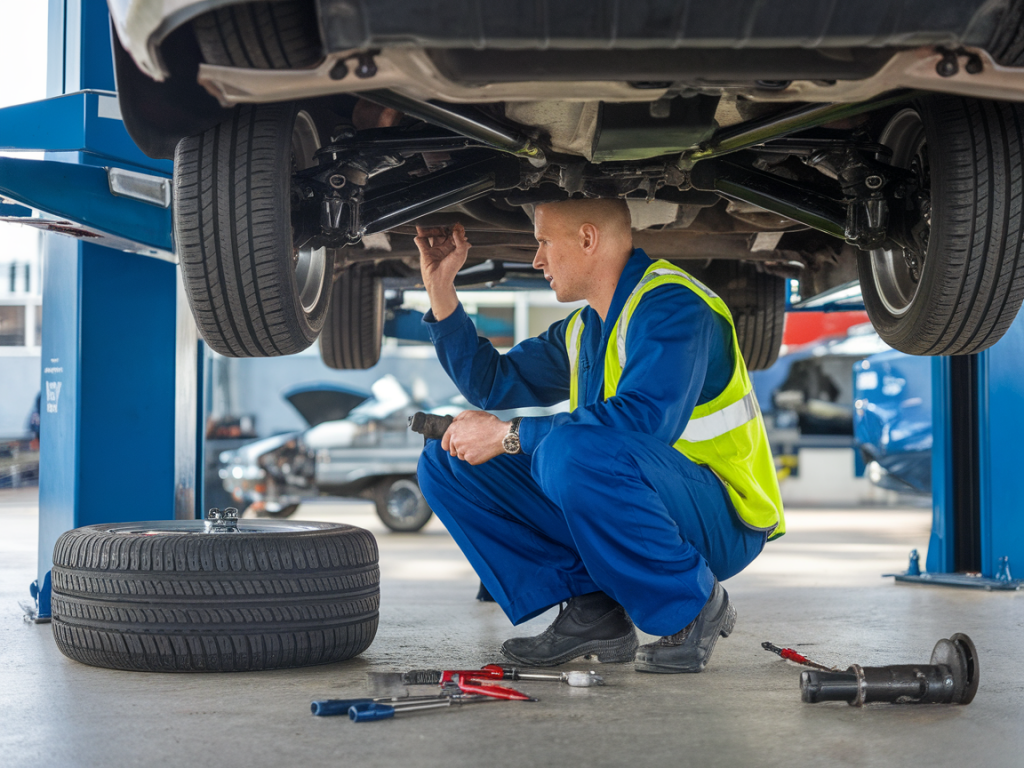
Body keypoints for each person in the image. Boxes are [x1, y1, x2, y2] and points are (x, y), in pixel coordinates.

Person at [414, 199, 785, 673]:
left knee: (567, 452)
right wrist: (440, 287)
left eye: (544, 242)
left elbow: (644, 421)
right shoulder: (586, 328)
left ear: (587, 239)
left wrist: (510, 436)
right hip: (650, 498)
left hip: (720, 518)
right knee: (446, 461)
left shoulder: (673, 305)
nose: (536, 260)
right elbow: (492, 383)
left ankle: (693, 607)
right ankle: (593, 610)